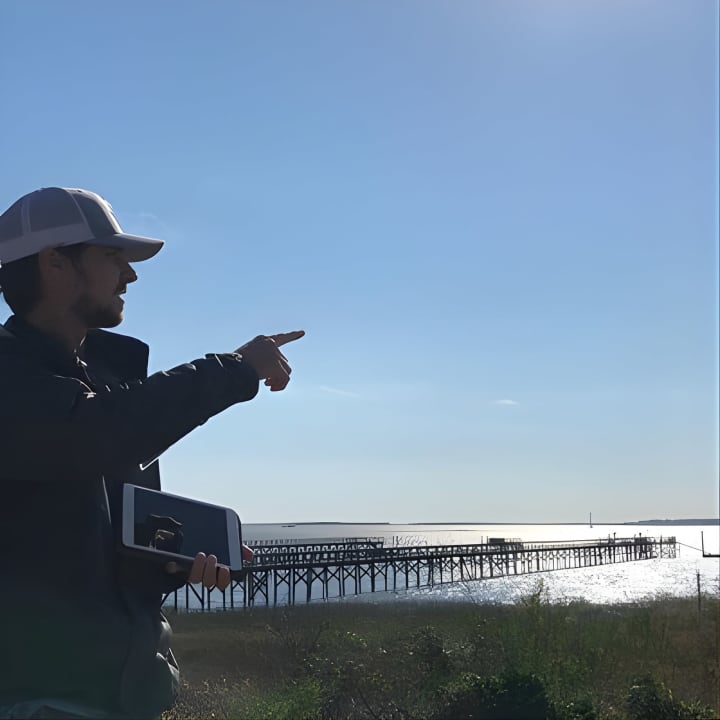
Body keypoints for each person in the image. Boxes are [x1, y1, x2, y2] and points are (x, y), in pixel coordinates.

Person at [0, 187, 304, 719]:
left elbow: (69, 557)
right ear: (54, 262)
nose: (130, 275)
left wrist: (168, 564)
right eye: (112, 255)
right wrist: (234, 370)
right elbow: (91, 432)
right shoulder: (20, 383)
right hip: (41, 697)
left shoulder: (100, 387)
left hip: (123, 695)